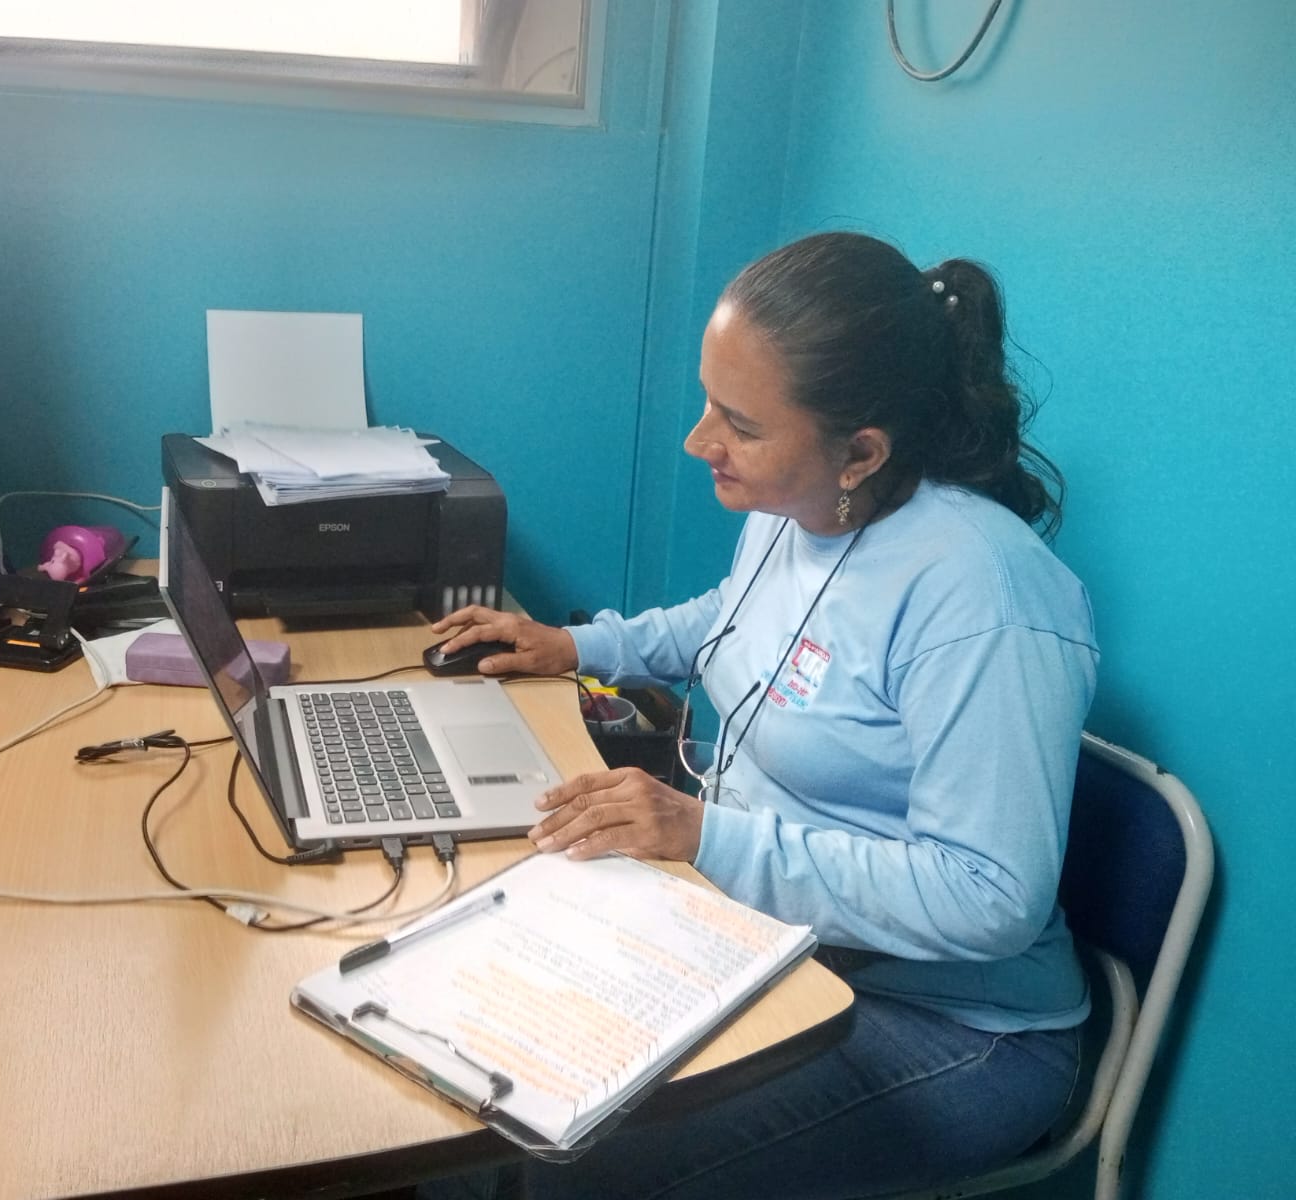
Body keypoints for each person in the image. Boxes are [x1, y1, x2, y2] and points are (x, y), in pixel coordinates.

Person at [420, 231, 1098, 1199]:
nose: (699, 442)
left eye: (738, 423)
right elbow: (730, 621)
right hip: (771, 936)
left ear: (860, 451)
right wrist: (577, 647)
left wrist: (706, 836)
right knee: (492, 1027)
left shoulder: (983, 598)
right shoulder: (803, 508)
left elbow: (990, 896)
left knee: (577, 1155)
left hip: (952, 1027)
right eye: (708, 402)